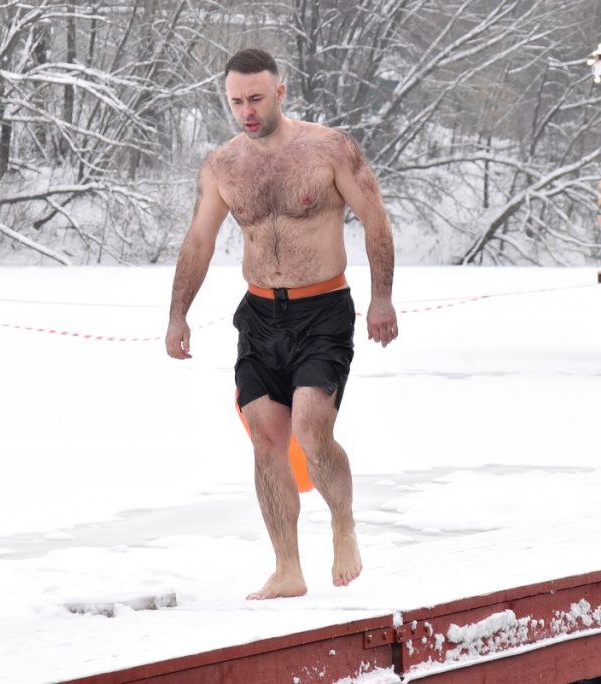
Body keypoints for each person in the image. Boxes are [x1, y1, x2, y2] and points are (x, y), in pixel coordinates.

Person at [165, 47, 398, 600]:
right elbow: (198, 242)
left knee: (312, 429)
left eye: (256, 98)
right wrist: (178, 313)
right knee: (266, 437)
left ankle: (342, 523)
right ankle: (287, 567)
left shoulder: (329, 148)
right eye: (236, 101)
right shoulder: (222, 166)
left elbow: (375, 220)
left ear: (280, 92)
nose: (246, 111)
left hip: (323, 308)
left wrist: (381, 298)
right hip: (260, 314)